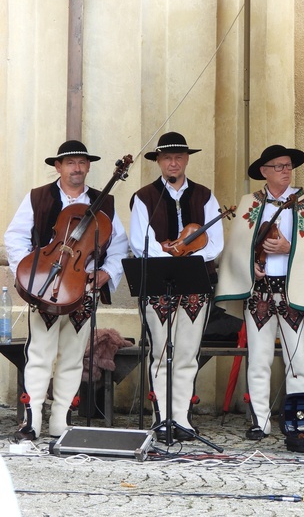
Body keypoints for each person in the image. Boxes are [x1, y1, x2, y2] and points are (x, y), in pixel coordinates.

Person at [4, 140, 129, 440]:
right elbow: (15, 238)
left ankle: (60, 420)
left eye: (82, 162)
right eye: (70, 162)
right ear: (58, 167)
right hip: (45, 286)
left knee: (74, 357)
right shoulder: (37, 197)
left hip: (82, 288)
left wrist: (106, 273)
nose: (77, 167)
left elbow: (120, 244)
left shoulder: (104, 202)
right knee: (40, 354)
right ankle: (32, 420)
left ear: (88, 167)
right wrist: (31, 274)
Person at [215, 144, 304, 440]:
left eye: (288, 166)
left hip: (293, 292)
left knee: (296, 361)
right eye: (279, 166)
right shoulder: (249, 204)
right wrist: (252, 265)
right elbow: (236, 247)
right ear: (264, 172)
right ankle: (260, 422)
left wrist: (289, 248)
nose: (286, 171)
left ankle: (297, 423)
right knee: (258, 359)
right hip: (259, 292)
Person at [129, 131, 223, 442]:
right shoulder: (143, 198)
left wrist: (187, 253)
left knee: (186, 354)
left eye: (179, 156)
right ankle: (162, 418)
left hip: (196, 285)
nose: (173, 162)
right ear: (158, 161)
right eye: (167, 157)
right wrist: (171, 252)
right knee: (159, 352)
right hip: (157, 286)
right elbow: (140, 243)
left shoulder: (206, 196)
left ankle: (181, 418)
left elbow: (215, 244)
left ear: (186, 160)